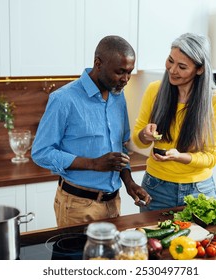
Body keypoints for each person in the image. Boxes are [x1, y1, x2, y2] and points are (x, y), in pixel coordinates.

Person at [31, 35, 151, 227]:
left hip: (113, 203)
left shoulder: (118, 97)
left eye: (129, 72)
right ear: (98, 63)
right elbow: (41, 153)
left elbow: (120, 145)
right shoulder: (63, 99)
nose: (126, 79)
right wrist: (94, 163)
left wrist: (129, 182)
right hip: (77, 207)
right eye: (120, 72)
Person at [132, 33, 216, 212]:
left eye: (182, 66)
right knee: (152, 240)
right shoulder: (155, 90)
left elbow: (213, 156)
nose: (172, 69)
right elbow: (138, 140)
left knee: (201, 240)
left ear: (199, 69)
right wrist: (144, 134)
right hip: (156, 188)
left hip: (199, 190)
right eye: (170, 60)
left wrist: (180, 157)